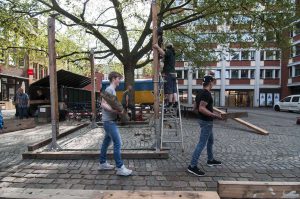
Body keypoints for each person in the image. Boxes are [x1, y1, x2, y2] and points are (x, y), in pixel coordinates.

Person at [187, 75, 223, 176]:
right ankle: (192, 166)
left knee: (210, 141)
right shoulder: (206, 94)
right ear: (210, 82)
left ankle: (210, 160)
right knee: (201, 143)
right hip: (207, 122)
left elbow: (195, 107)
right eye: (213, 82)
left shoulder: (200, 93)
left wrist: (210, 112)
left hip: (204, 120)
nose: (214, 84)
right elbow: (202, 108)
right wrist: (214, 115)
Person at [99, 71, 132, 176]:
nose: (120, 80)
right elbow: (103, 104)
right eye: (119, 78)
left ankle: (102, 163)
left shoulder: (112, 90)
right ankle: (120, 167)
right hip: (109, 122)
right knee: (118, 143)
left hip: (108, 121)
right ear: (113, 78)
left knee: (106, 143)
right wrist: (114, 111)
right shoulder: (109, 89)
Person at [153, 42, 178, 108]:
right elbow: (163, 55)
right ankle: (175, 102)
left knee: (169, 89)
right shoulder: (172, 53)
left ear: (167, 47)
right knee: (173, 90)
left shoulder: (169, 51)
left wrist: (157, 47)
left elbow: (164, 54)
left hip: (169, 73)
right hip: (173, 73)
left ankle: (169, 103)